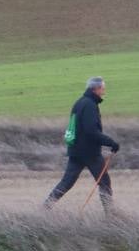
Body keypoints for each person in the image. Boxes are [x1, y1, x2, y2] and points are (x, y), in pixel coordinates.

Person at [43, 76, 120, 213]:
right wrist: (111, 143)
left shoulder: (79, 103)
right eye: (102, 88)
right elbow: (91, 131)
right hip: (89, 152)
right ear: (95, 89)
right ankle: (110, 214)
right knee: (104, 183)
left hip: (76, 151)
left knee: (66, 182)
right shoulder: (90, 105)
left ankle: (45, 207)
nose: (104, 91)